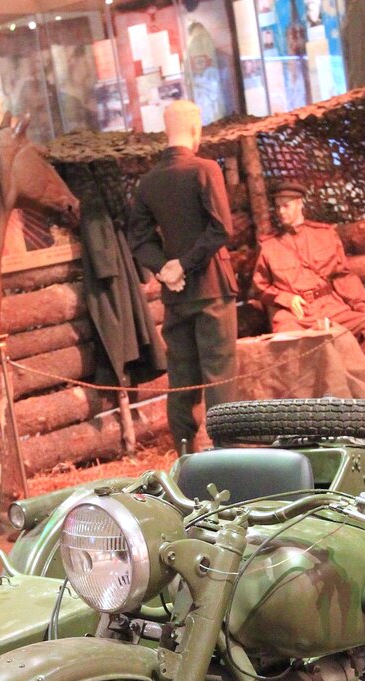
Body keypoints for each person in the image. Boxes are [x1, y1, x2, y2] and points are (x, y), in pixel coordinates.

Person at [128, 99, 238, 453]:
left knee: (182, 380)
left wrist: (165, 268)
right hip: (212, 288)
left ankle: (186, 455)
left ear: (166, 131)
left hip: (176, 295)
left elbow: (139, 240)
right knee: (220, 378)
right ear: (195, 128)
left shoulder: (148, 182)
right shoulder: (205, 170)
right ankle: (226, 456)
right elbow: (221, 229)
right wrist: (184, 264)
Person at [251, 179, 365, 387]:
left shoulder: (324, 234)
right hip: (297, 315)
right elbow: (260, 287)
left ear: (300, 203)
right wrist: (286, 298)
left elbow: (342, 274)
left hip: (331, 306)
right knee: (284, 339)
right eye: (277, 207)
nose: (281, 212)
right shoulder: (269, 246)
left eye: (286, 205)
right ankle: (301, 394)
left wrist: (360, 305)